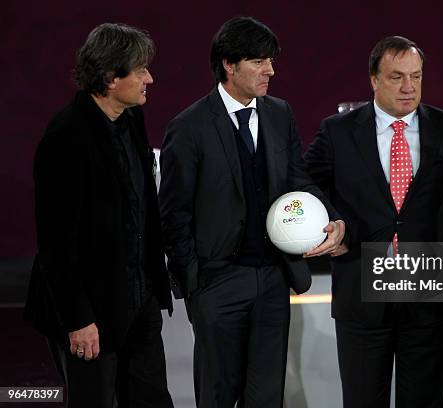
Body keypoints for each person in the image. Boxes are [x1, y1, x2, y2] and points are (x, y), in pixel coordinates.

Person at [158, 16, 344, 408]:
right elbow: (174, 214)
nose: (270, 70)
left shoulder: (279, 114)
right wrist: (195, 285)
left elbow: (299, 180)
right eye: (259, 61)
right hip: (217, 282)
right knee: (219, 393)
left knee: (267, 396)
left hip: (274, 280)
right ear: (229, 64)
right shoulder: (189, 127)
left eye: (271, 61)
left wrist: (331, 218)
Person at [304, 36, 443, 407]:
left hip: (430, 299)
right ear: (373, 80)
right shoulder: (338, 131)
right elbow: (305, 183)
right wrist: (333, 221)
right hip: (362, 296)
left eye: (416, 76)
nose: (409, 88)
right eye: (397, 77)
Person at [24, 23, 174, 408]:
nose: (150, 79)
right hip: (89, 314)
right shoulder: (65, 138)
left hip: (138, 302)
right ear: (110, 78)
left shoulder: (130, 119)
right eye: (140, 70)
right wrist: (78, 320)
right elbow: (56, 245)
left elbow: (139, 208)